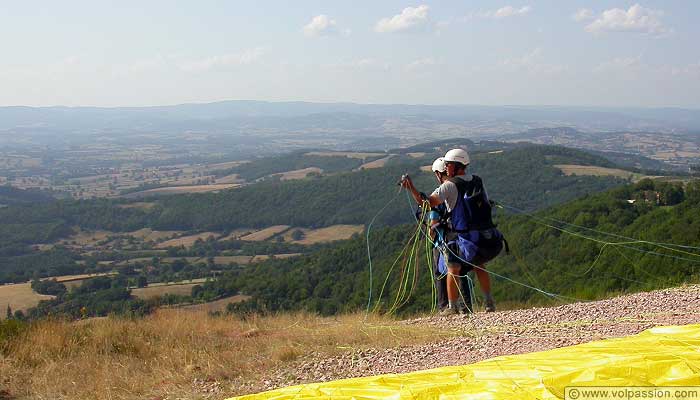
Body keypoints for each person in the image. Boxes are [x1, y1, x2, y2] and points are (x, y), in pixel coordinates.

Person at [401, 148, 503, 313]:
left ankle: (451, 306)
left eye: (448, 165)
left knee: (452, 268)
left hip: (462, 237)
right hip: (485, 236)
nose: (446, 168)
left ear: (456, 166)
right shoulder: (478, 180)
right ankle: (489, 302)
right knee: (480, 265)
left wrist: (411, 188)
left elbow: (426, 203)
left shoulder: (449, 186)